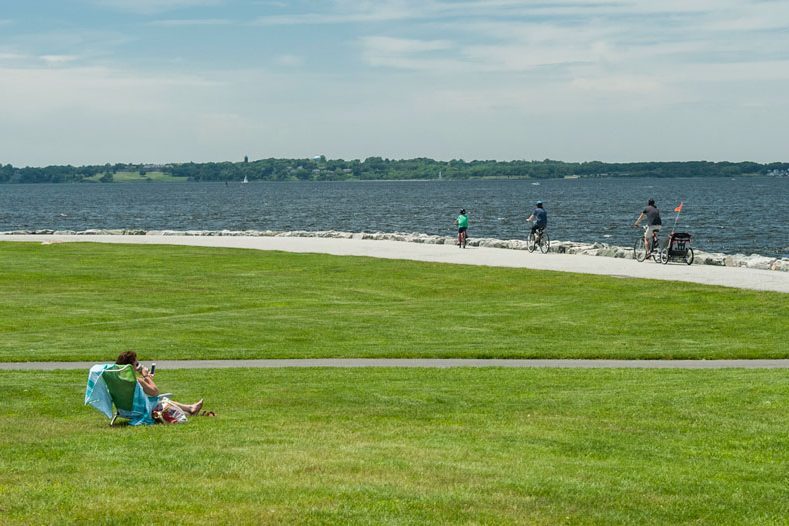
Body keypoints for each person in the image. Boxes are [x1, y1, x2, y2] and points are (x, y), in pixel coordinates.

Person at [115, 350, 204, 417]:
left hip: (123, 410)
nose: (138, 366)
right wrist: (146, 376)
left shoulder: (117, 379)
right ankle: (190, 409)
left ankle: (190, 408)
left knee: (163, 401)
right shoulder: (136, 380)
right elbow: (155, 392)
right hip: (138, 411)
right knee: (162, 401)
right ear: (130, 366)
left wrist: (146, 379)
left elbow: (139, 391)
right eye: (136, 364)